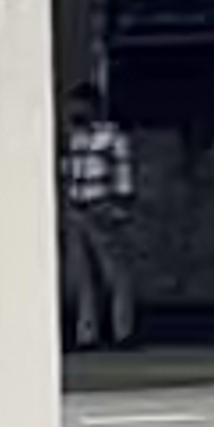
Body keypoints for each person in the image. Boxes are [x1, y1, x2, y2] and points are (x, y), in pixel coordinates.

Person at [60, 79, 137, 352]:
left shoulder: (110, 137)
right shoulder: (72, 138)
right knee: (83, 274)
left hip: (102, 205)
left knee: (115, 272)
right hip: (76, 208)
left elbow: (123, 171)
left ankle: (122, 330)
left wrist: (121, 204)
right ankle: (87, 332)